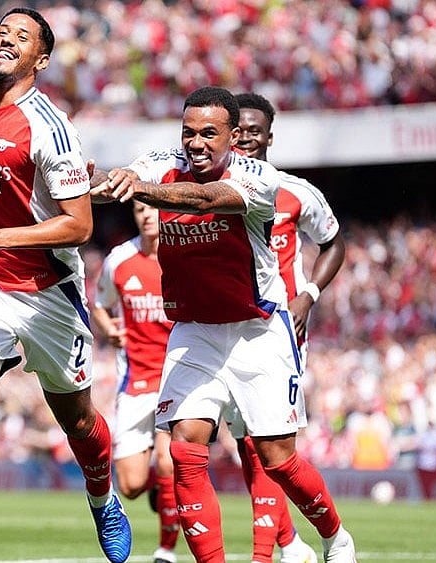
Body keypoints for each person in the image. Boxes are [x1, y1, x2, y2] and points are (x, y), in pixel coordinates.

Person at [92, 86, 356, 563]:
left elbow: (202, 199)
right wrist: (113, 177)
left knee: (278, 459)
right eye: (189, 132)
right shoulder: (163, 161)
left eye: (209, 134)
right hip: (194, 330)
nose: (196, 143)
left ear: (234, 137)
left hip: (258, 331)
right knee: (185, 449)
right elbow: (137, 171)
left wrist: (138, 187)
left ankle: (335, 537)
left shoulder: (259, 177)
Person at [0, 8, 130, 563]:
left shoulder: (49, 125)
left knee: (77, 419)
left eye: (22, 37)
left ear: (40, 60)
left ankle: (102, 499)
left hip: (50, 289)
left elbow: (80, 224)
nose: (7, 39)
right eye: (3, 30)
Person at [230, 92, 346, 563]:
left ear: (269, 137)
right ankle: (289, 543)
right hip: (222, 328)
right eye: (238, 130)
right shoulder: (208, 187)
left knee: (268, 444)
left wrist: (308, 295)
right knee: (245, 445)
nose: (246, 138)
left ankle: (278, 551)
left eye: (254, 130)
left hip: (277, 330)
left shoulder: (295, 192)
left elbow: (334, 243)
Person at [92, 200, 180, 563]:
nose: (146, 215)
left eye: (152, 209)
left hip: (176, 377)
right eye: (139, 209)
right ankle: (162, 489)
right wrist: (108, 328)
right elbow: (99, 303)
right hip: (134, 381)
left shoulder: (183, 255)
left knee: (168, 460)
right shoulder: (119, 260)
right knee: (128, 485)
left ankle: (166, 551)